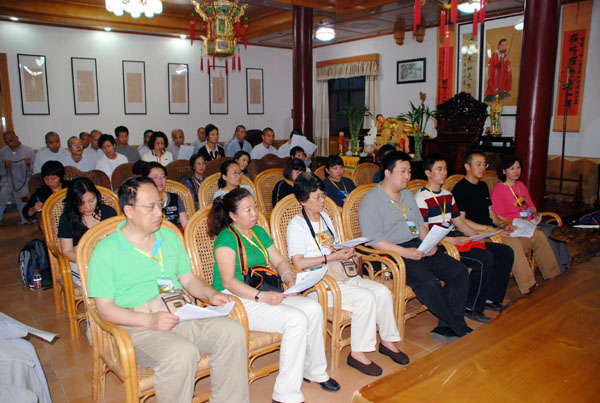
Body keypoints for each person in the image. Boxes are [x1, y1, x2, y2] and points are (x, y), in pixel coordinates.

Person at [88, 177, 249, 403]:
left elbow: (188, 279)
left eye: (160, 204)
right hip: (137, 324)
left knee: (232, 331)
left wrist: (210, 293)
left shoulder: (169, 235)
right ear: (129, 210)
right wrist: (150, 321)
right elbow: (104, 309)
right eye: (150, 207)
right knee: (182, 354)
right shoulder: (106, 251)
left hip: (180, 311)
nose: (158, 213)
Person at [210, 188, 339, 402]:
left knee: (313, 309)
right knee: (295, 320)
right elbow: (228, 281)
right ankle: (285, 394)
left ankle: (314, 370)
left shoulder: (258, 231)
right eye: (247, 209)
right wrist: (261, 297)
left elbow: (279, 261)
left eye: (255, 207)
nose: (254, 213)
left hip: (263, 288)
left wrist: (289, 279)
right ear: (232, 215)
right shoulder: (226, 238)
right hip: (234, 298)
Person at [288, 173, 409, 376]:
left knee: (382, 292)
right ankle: (358, 354)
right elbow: (298, 262)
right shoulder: (296, 225)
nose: (322, 201)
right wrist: (331, 258)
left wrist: (345, 252)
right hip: (319, 284)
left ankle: (387, 341)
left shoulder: (325, 217)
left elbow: (331, 246)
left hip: (341, 273)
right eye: (316, 197)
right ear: (302, 200)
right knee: (366, 299)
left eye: (323, 195)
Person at [359, 151, 470, 343]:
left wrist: (430, 243)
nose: (407, 176)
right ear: (388, 173)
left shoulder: (407, 195)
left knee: (459, 271)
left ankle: (446, 325)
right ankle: (457, 325)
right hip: (391, 253)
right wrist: (405, 252)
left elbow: (420, 226)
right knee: (429, 283)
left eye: (409, 171)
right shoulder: (371, 201)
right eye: (402, 171)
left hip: (418, 246)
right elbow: (374, 241)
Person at [415, 153, 513, 322]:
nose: (444, 172)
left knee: (505, 251)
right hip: (441, 244)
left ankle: (491, 298)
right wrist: (452, 241)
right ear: (428, 173)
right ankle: (471, 306)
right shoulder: (421, 198)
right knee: (483, 258)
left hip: (456, 237)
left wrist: (476, 236)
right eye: (439, 169)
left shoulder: (447, 195)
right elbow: (423, 233)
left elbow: (459, 222)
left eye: (445, 168)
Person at [452, 150, 561, 294]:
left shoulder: (483, 186)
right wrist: (488, 229)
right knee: (513, 244)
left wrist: (503, 225)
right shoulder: (460, 189)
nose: (483, 168)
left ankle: (554, 277)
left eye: (484, 164)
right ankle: (529, 287)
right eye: (478, 165)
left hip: (494, 230)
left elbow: (491, 213)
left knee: (537, 236)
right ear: (467, 167)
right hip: (479, 234)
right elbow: (462, 220)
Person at [491, 154, 570, 268]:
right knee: (546, 233)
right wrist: (523, 223)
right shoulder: (499, 189)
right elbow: (497, 215)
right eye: (512, 168)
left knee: (555, 229)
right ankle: (557, 266)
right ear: (504, 171)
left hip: (530, 221)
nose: (516, 171)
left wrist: (534, 214)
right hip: (516, 225)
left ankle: (564, 262)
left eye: (518, 168)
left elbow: (531, 206)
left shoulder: (520, 185)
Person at [57, 178, 117, 286]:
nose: (88, 207)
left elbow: (117, 241)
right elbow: (67, 252)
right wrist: (87, 257)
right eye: (81, 203)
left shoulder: (108, 212)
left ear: (97, 196)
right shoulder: (67, 219)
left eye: (91, 200)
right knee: (97, 281)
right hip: (80, 261)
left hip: (109, 260)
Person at [0, 131, 35, 225]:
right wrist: (5, 165)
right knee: (3, 193)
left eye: (11, 140)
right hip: (8, 180)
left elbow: (33, 170)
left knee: (25, 194)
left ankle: (27, 218)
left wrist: (28, 165)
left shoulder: (28, 151)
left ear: (17, 138)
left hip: (24, 180)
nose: (9, 144)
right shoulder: (3, 152)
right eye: (7, 142)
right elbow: (1, 171)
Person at [142, 162, 188, 230]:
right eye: (155, 177)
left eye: (162, 177)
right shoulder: (141, 200)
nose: (160, 180)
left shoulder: (175, 198)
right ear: (145, 179)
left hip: (174, 235)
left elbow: (185, 224)